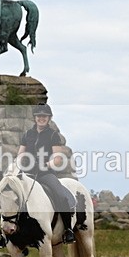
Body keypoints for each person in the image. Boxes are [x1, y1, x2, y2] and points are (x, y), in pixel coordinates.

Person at [17, 104, 76, 244]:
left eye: (44, 116)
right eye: (39, 116)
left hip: (45, 174)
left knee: (61, 196)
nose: (41, 118)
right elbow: (20, 154)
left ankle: (68, 230)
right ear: (35, 118)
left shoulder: (53, 135)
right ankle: (8, 232)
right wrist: (20, 163)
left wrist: (45, 165)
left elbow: (58, 158)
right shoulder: (27, 134)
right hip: (28, 173)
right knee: (11, 194)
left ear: (49, 118)